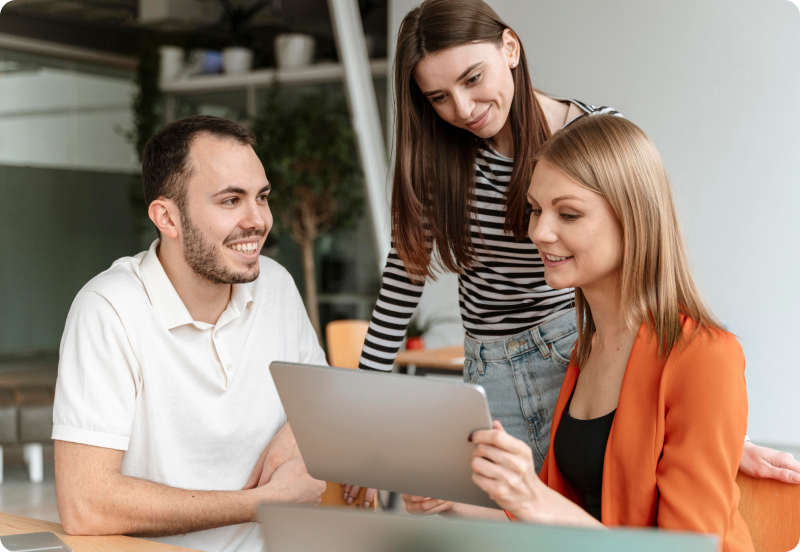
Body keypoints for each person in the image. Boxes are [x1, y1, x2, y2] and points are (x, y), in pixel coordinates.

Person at [346, 0, 799, 507]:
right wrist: (363, 428)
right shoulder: (437, 156)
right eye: (439, 97)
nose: (463, 108)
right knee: (504, 533)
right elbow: (400, 281)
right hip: (486, 372)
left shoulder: (591, 134)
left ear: (510, 48)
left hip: (576, 358)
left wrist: (714, 425)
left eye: (473, 78)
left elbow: (647, 263)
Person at [405, 114, 755, 551]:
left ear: (634, 219)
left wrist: (532, 499)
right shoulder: (585, 351)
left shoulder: (706, 356)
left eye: (568, 214)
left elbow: (686, 549)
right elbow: (561, 511)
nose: (538, 231)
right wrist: (454, 503)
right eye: (534, 210)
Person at [52, 115, 326, 552]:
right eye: (230, 200)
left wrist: (295, 430)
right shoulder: (108, 308)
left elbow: (320, 399)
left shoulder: (274, 284)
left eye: (262, 197)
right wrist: (260, 502)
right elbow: (86, 505)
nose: (257, 221)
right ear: (168, 218)